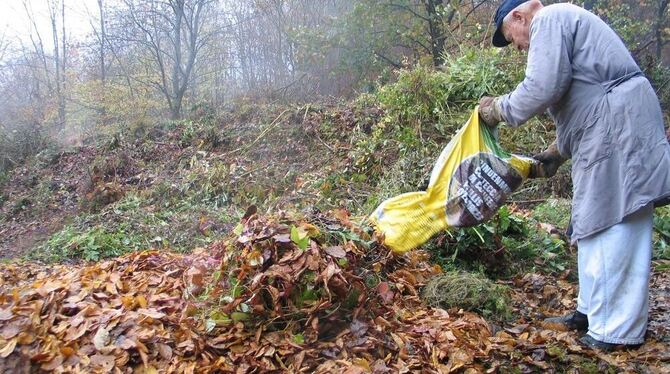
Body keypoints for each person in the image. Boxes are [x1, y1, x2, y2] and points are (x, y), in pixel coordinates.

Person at [478, 0, 670, 351]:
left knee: (618, 220)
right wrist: (555, 153)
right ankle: (591, 313)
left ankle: (616, 330)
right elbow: (578, 100)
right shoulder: (561, 25)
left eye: (514, 40)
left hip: (619, 127)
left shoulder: (549, 19)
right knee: (594, 219)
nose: (520, 49)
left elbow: (543, 86)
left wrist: (497, 108)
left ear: (519, 17)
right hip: (605, 126)